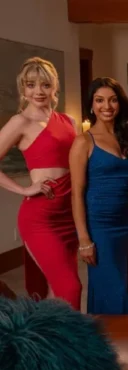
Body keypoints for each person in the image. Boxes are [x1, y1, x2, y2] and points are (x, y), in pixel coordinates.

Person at [0, 57, 80, 309]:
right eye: (31, 85)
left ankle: (49, 335)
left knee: (57, 291)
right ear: (23, 89)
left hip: (70, 215)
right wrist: (23, 189)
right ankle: (65, 335)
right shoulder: (20, 122)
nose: (38, 91)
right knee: (70, 287)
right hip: (41, 219)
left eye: (45, 85)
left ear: (55, 87)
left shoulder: (69, 121)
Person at [70, 77, 128, 315]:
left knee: (121, 287)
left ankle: (122, 335)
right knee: (112, 290)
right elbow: (77, 194)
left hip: (124, 225)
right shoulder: (83, 142)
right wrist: (84, 239)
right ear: (91, 105)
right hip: (100, 228)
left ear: (120, 103)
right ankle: (107, 336)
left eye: (112, 100)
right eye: (99, 100)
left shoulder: (126, 139)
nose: (107, 106)